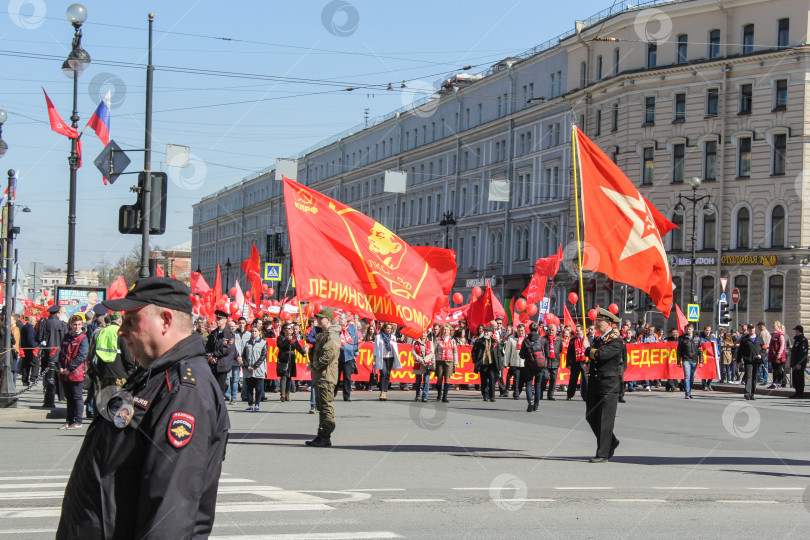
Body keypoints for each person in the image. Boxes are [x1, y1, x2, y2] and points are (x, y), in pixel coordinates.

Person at [56, 276, 230, 539]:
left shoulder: (183, 392)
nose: (121, 330)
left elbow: (169, 512)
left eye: (131, 320)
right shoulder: (156, 374)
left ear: (166, 320)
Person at [584, 308, 623, 463]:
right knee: (591, 416)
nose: (596, 324)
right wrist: (588, 365)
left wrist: (588, 349)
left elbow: (602, 355)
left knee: (605, 420)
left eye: (599, 322)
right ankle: (611, 441)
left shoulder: (615, 340)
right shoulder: (599, 340)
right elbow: (595, 359)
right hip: (595, 382)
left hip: (608, 384)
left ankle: (603, 454)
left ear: (607, 324)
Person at [306, 308, 340, 447]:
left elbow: (327, 356)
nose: (318, 320)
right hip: (321, 375)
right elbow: (319, 353)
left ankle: (325, 436)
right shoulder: (323, 334)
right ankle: (321, 435)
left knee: (326, 406)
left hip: (326, 375)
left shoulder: (331, 336)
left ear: (329, 320)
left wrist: (314, 366)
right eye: (318, 318)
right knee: (321, 406)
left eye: (321, 318)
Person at [57, 314, 89, 430]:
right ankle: (69, 420)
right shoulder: (66, 337)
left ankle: (78, 421)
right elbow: (61, 354)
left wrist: (69, 369)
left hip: (76, 373)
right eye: (75, 324)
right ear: (70, 325)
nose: (77, 327)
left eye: (79, 325)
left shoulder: (83, 338)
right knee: (69, 397)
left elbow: (81, 356)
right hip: (64, 373)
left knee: (77, 397)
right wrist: (60, 367)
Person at [37, 304, 68, 408]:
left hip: (47, 353)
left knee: (47, 375)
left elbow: (39, 338)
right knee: (59, 374)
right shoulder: (62, 324)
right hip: (59, 353)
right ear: (57, 313)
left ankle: (47, 395)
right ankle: (61, 395)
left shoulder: (44, 323)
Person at [206, 310, 237, 396]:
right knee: (211, 387)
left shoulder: (229, 334)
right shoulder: (213, 333)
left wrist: (214, 355)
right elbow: (208, 346)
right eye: (217, 318)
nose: (217, 320)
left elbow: (226, 349)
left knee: (220, 388)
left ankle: (220, 407)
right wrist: (210, 356)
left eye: (220, 319)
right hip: (213, 364)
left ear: (225, 320)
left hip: (222, 364)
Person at [520, 322, 548, 412]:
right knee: (538, 385)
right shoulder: (542, 340)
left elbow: (522, 355)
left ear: (529, 329)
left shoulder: (526, 340)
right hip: (540, 365)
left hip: (529, 365)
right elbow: (547, 353)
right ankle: (536, 405)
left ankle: (530, 401)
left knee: (528, 383)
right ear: (538, 329)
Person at [277, 322, 306, 402]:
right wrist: (287, 340)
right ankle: (282, 394)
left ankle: (287, 394)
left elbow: (298, 347)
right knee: (283, 376)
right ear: (283, 330)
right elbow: (280, 346)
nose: (288, 330)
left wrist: (303, 353)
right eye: (286, 329)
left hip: (291, 357)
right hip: (283, 357)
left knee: (289, 376)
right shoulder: (281, 338)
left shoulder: (294, 338)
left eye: (290, 328)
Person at [472, 326, 502, 402]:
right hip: (483, 363)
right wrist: (475, 361)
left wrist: (499, 364)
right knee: (484, 380)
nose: (486, 333)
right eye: (485, 332)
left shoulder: (494, 342)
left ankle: (492, 396)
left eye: (487, 332)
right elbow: (474, 352)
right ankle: (485, 395)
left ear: (491, 333)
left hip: (491, 364)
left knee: (492, 380)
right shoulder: (479, 341)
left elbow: (498, 354)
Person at [242, 324, 268, 411]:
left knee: (259, 388)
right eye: (252, 331)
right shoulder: (247, 343)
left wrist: (254, 366)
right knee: (249, 388)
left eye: (255, 331)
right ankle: (250, 404)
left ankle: (257, 404)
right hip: (248, 369)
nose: (253, 333)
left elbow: (263, 356)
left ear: (259, 332)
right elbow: (243, 356)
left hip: (258, 369)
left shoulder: (263, 343)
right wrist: (247, 366)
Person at [373, 322, 400, 401]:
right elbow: (375, 348)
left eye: (390, 328)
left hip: (390, 357)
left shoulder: (393, 337)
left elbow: (395, 348)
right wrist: (374, 359)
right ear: (384, 328)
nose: (388, 330)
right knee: (383, 373)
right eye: (387, 328)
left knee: (387, 374)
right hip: (382, 358)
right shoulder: (378, 337)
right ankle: (382, 391)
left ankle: (385, 391)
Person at [335, 313, 359, 401]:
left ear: (346, 320)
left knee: (347, 377)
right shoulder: (337, 328)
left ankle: (347, 395)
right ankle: (333, 394)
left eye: (341, 318)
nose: (340, 320)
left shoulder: (352, 328)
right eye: (339, 318)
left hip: (349, 356)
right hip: (338, 356)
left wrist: (356, 353)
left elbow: (356, 340)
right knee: (336, 377)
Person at [677, 323, 702, 399]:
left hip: (694, 359)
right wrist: (678, 360)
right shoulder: (682, 338)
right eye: (687, 329)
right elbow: (679, 350)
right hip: (686, 359)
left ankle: (689, 391)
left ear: (693, 329)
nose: (688, 330)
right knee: (687, 376)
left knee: (692, 377)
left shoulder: (697, 338)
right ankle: (687, 393)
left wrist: (701, 361)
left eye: (689, 329)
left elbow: (700, 351)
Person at [738, 324, 763, 400]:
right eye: (750, 328)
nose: (752, 330)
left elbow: (764, 348)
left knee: (754, 377)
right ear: (748, 330)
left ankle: (752, 393)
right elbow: (740, 350)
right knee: (749, 376)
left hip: (756, 360)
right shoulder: (745, 339)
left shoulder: (759, 338)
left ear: (755, 329)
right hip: (748, 360)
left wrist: (761, 355)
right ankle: (747, 393)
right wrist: (738, 360)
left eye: (753, 328)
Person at [434, 323, 457, 402]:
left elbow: (455, 352)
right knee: (439, 378)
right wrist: (433, 362)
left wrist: (455, 363)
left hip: (449, 361)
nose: (446, 331)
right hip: (440, 360)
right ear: (442, 331)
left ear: (450, 331)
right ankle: (439, 395)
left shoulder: (453, 340)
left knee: (447, 378)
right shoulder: (438, 340)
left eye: (447, 330)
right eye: (444, 329)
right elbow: (434, 351)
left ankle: (445, 397)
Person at [229, 317, 250, 404]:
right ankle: (233, 397)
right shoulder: (233, 334)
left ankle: (244, 395)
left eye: (243, 323)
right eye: (240, 323)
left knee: (245, 379)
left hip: (245, 360)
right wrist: (237, 357)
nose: (241, 325)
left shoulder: (249, 334)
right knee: (235, 379)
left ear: (245, 324)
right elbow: (232, 347)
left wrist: (244, 358)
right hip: (235, 359)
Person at [503, 324, 526, 399]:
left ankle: (518, 391)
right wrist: (506, 362)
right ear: (517, 330)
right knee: (516, 378)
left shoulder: (526, 338)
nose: (521, 332)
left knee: (522, 379)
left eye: (522, 331)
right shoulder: (511, 338)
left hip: (524, 363)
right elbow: (507, 351)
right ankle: (516, 394)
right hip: (514, 362)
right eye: (519, 331)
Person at [567, 324, 589, 401]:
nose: (577, 332)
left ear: (582, 331)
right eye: (576, 331)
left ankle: (585, 396)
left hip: (584, 362)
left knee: (585, 380)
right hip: (575, 362)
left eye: (578, 330)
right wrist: (568, 364)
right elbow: (569, 353)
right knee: (573, 379)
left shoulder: (586, 339)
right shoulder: (572, 341)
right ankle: (570, 394)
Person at [412, 329, 434, 402]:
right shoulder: (415, 342)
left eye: (424, 333)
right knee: (418, 381)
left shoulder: (430, 343)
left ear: (427, 334)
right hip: (419, 364)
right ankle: (417, 395)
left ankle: (425, 396)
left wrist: (425, 359)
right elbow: (413, 353)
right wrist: (420, 359)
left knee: (426, 381)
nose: (423, 335)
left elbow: (432, 353)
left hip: (427, 364)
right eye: (422, 333)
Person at [543, 324, 562, 400]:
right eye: (549, 330)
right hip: (546, 362)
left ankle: (550, 394)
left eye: (552, 330)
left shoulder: (558, 339)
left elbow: (560, 349)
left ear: (555, 331)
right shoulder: (544, 339)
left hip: (555, 361)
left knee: (553, 379)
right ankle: (541, 391)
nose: (551, 331)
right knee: (545, 377)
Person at [767, 321, 787, 389]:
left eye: (774, 326)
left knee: (778, 370)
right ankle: (774, 383)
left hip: (778, 356)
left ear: (778, 326)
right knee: (774, 369)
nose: (773, 327)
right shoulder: (773, 335)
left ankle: (779, 382)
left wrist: (779, 353)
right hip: (773, 355)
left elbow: (782, 345)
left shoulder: (780, 335)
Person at [789, 325, 808, 398]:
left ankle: (800, 393)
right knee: (795, 378)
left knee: (799, 378)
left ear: (798, 331)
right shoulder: (797, 339)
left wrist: (800, 364)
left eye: (796, 330)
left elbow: (803, 353)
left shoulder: (803, 340)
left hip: (799, 363)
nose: (795, 331)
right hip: (795, 362)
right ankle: (796, 392)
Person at [20, 315, 38, 386]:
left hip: (25, 348)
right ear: (32, 321)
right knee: (35, 364)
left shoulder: (24, 327)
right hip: (31, 349)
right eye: (35, 321)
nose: (35, 322)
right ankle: (33, 379)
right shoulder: (30, 327)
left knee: (26, 364)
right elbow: (30, 339)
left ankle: (25, 379)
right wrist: (36, 345)